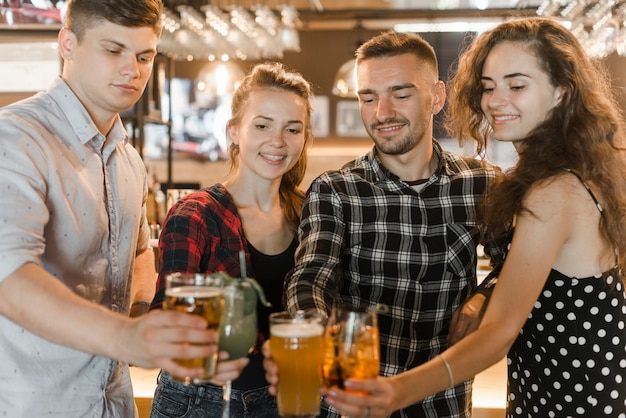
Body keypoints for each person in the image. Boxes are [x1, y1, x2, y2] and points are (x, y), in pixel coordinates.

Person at [319, 17, 626, 418]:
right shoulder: (583, 171)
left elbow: (498, 333)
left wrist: (395, 391)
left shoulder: (555, 190)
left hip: (569, 402)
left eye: (517, 85)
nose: (495, 100)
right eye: (488, 87)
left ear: (561, 92)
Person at [0, 0, 235, 415]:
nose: (133, 69)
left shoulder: (128, 160)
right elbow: (8, 275)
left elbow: (141, 251)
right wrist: (128, 338)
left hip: (114, 402)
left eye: (144, 56)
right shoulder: (15, 138)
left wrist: (144, 316)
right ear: (67, 42)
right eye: (113, 51)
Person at [272, 31, 504, 418]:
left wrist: (487, 296)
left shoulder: (482, 184)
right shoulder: (335, 190)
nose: (381, 113)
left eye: (400, 94)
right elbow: (312, 276)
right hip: (352, 406)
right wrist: (308, 333)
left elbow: (519, 262)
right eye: (368, 98)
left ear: (437, 97)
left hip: (441, 407)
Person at [149, 62, 314, 418]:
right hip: (202, 402)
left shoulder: (311, 215)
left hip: (291, 401)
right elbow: (165, 314)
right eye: (262, 125)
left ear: (304, 137)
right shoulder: (194, 214)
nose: (277, 141)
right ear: (235, 131)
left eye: (292, 128)